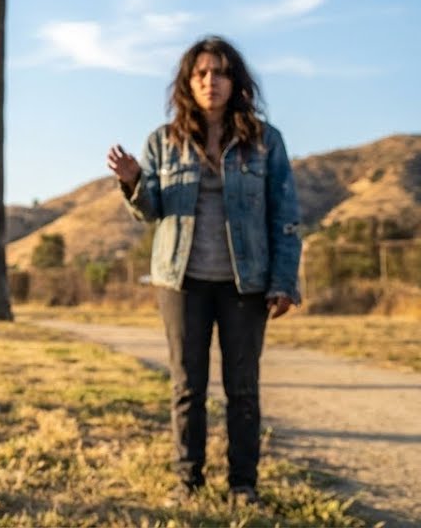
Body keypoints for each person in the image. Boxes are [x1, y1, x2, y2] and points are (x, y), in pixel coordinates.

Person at [106, 35, 301, 507]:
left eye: (221, 72)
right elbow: (150, 212)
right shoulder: (163, 141)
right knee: (187, 387)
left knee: (243, 388)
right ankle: (188, 482)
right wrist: (133, 182)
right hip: (181, 282)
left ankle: (242, 486)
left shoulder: (265, 140)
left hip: (246, 283)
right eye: (202, 73)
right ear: (188, 83)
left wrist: (283, 281)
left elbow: (285, 215)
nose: (211, 81)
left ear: (236, 81)